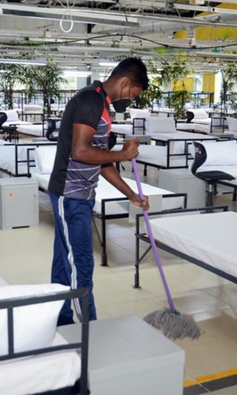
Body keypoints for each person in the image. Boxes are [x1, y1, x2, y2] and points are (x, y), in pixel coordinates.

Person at [48, 57, 149, 325]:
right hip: (70, 196)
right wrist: (123, 154)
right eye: (133, 95)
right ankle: (88, 332)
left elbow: (100, 160)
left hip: (78, 197)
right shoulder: (91, 102)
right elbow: (81, 152)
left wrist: (130, 194)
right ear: (126, 83)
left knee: (64, 261)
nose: (130, 100)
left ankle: (62, 321)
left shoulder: (101, 105)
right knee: (81, 264)